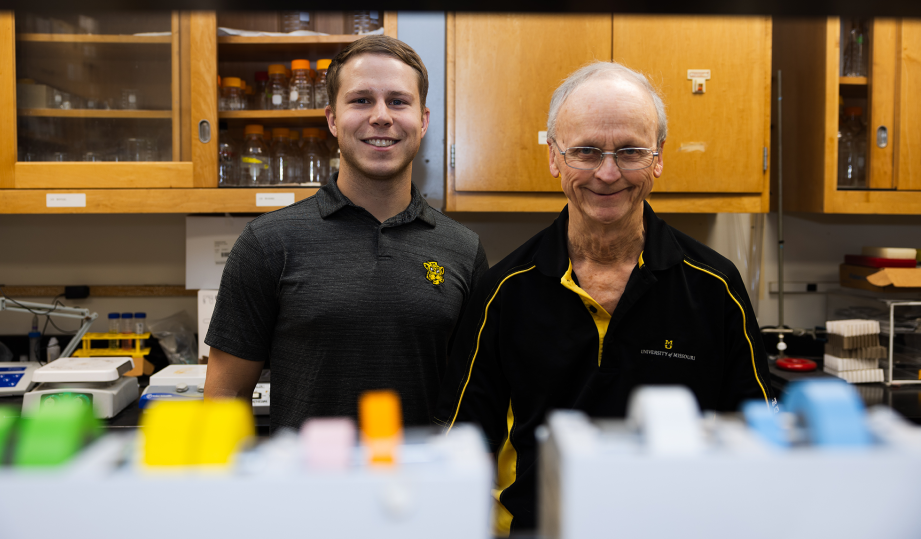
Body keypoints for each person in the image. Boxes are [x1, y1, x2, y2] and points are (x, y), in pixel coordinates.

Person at [435, 61, 774, 536]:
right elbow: (464, 449)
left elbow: (758, 441)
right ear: (554, 157)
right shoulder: (503, 291)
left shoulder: (715, 287)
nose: (608, 173)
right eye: (586, 151)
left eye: (631, 151)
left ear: (658, 158)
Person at [205, 36, 488, 431]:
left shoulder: (463, 249)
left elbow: (475, 397)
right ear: (332, 119)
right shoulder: (267, 243)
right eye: (361, 100)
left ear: (423, 120)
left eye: (398, 101)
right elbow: (224, 399)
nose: (381, 116)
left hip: (421, 472)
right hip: (310, 472)